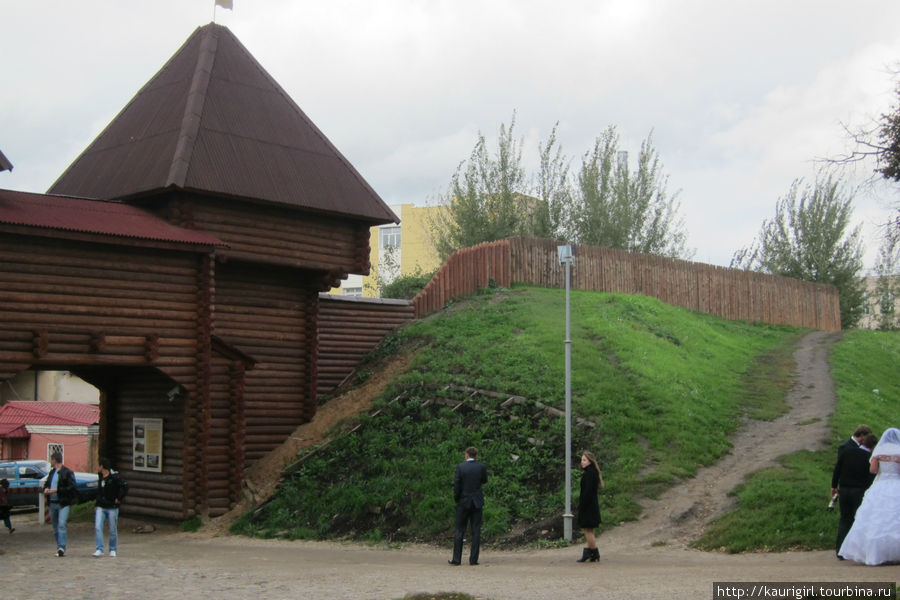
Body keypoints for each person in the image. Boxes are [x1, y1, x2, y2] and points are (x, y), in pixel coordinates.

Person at [839, 427, 900, 565]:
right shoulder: (899, 451)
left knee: (875, 518)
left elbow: (873, 470)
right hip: (896, 483)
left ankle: (875, 552)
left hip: (881, 483)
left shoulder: (879, 451)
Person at [831, 425, 875, 557]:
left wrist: (834, 486)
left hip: (844, 489)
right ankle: (857, 550)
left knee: (845, 519)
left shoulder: (847, 451)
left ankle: (840, 550)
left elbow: (837, 469)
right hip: (859, 490)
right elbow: (870, 476)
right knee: (858, 519)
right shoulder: (868, 457)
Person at [449, 446, 488, 566]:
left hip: (464, 501)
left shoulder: (461, 467)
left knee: (460, 529)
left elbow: (457, 485)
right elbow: (484, 480)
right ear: (475, 455)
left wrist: (457, 498)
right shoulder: (481, 467)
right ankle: (473, 559)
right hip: (476, 501)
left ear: (467, 455)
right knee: (476, 530)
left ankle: (457, 559)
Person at [42, 451, 78, 557]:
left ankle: (62, 547)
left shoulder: (67, 472)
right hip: (52, 503)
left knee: (62, 524)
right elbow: (46, 483)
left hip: (63, 502)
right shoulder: (52, 472)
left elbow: (72, 487)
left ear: (55, 460)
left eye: (51, 459)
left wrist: (57, 490)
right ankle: (59, 547)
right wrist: (46, 489)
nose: (50, 461)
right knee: (55, 527)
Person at [93, 457, 126, 557]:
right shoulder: (100, 477)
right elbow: (99, 492)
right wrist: (96, 503)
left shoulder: (114, 477)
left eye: (99, 465)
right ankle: (99, 548)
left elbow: (125, 486)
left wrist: (119, 498)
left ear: (102, 466)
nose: (97, 467)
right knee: (98, 527)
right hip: (101, 506)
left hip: (112, 506)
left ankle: (112, 548)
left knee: (112, 529)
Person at [575, 450, 604, 562]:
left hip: (588, 506)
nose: (582, 462)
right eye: (582, 460)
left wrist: (582, 505)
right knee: (589, 530)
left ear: (590, 461)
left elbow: (587, 492)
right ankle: (591, 552)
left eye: (584, 460)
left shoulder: (590, 473)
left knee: (587, 530)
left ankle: (593, 552)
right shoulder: (591, 472)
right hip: (591, 505)